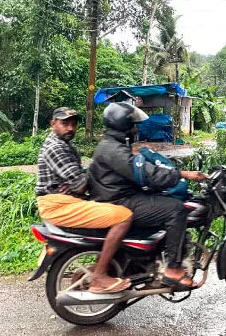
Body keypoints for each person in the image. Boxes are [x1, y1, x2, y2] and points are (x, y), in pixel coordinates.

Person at [88, 102, 206, 289]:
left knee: (164, 199)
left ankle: (153, 257)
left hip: (119, 196)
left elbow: (139, 171)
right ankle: (173, 270)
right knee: (175, 210)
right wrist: (183, 174)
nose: (135, 128)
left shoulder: (112, 145)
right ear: (123, 125)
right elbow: (146, 174)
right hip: (120, 201)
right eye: (132, 124)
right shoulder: (113, 150)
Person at [35, 107, 134, 294]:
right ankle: (99, 277)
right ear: (53, 123)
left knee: (113, 210)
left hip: (67, 201)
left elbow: (78, 182)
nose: (70, 128)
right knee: (124, 216)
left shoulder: (64, 145)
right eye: (65, 123)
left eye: (73, 124)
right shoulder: (56, 148)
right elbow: (80, 184)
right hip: (59, 205)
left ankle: (104, 268)